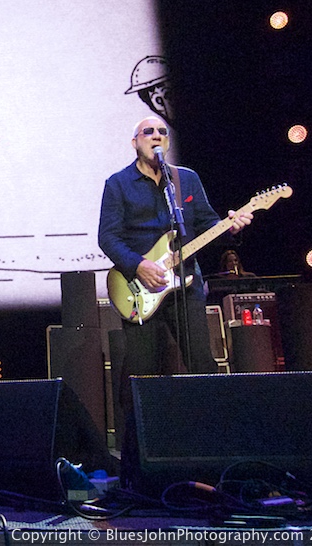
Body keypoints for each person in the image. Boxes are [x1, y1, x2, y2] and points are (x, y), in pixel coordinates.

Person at [98, 117, 252, 424]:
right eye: (148, 132)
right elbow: (108, 237)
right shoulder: (118, 184)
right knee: (139, 372)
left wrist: (231, 226)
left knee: (202, 365)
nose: (156, 136)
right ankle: (136, 449)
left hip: (187, 286)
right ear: (135, 142)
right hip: (139, 289)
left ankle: (210, 437)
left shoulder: (186, 180)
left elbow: (207, 224)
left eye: (162, 132)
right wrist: (139, 265)